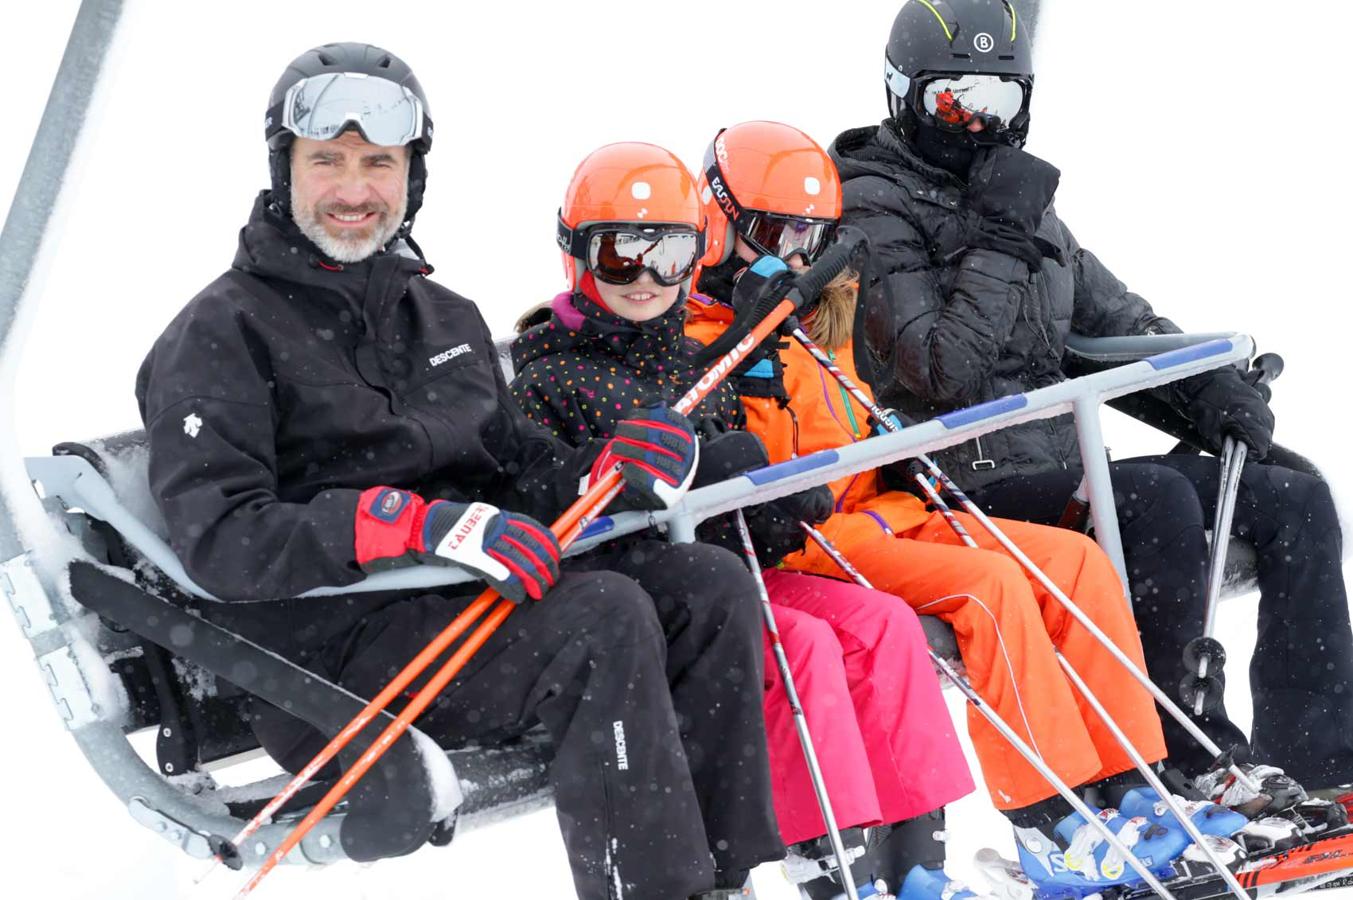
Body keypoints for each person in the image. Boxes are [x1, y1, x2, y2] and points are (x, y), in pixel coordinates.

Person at [135, 43, 783, 900]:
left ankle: (725, 879)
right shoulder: (222, 333)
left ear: (412, 175)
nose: (354, 189)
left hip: (466, 611)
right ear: (282, 168)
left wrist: (605, 467)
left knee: (705, 584)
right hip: (330, 661)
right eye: (326, 161)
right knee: (604, 616)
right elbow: (221, 539)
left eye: (379, 163)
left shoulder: (442, 317)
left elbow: (512, 473)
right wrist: (404, 523)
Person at [831, 0, 1353, 812]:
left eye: (999, 103)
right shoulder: (866, 210)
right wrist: (997, 237)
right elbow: (941, 369)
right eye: (952, 100)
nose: (976, 125)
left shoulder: (1027, 208)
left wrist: (1206, 393)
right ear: (902, 94)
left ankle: (1322, 770)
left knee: (1294, 500)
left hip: (1056, 470)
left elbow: (1116, 325)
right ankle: (1185, 761)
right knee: (1153, 499)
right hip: (950, 483)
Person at [685, 120, 1223, 893]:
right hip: (816, 537)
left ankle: (1131, 785)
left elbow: (867, 399)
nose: (796, 251)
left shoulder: (817, 311)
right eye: (774, 230)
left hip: (887, 508)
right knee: (988, 589)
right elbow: (727, 442)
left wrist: (888, 438)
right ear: (715, 220)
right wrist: (750, 339)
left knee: (1072, 561)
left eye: (812, 232)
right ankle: (1049, 817)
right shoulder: (706, 332)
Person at [509, 140, 975, 900]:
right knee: (803, 648)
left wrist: (776, 507)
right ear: (577, 256)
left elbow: (742, 502)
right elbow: (551, 505)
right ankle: (833, 866)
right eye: (623, 256)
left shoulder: (695, 365)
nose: (649, 279)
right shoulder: (551, 375)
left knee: (880, 623)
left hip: (734, 575)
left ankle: (918, 863)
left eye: (672, 255)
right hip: (653, 604)